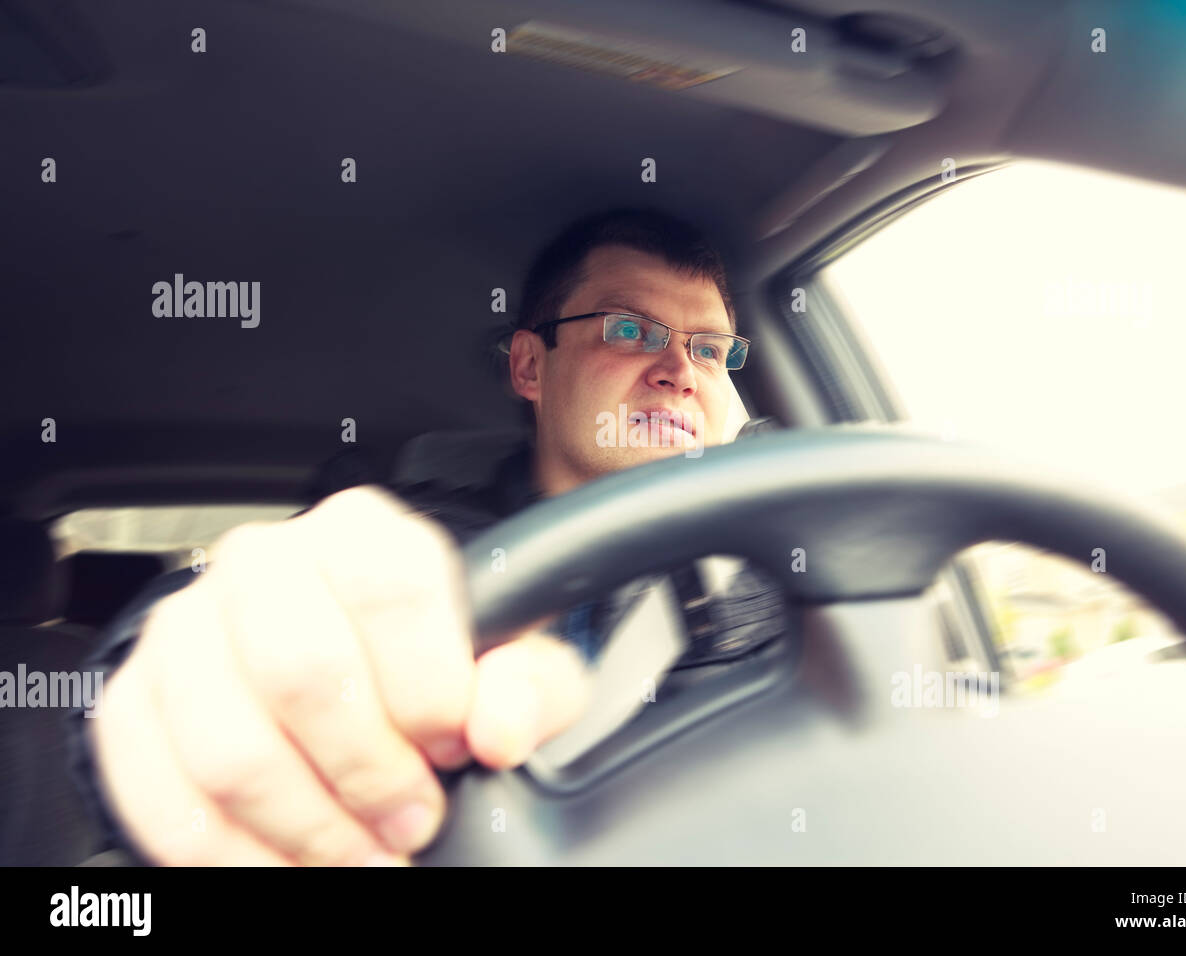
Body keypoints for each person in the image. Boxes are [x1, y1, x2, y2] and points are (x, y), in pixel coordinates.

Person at [69, 207, 785, 866]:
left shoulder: (786, 566)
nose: (681, 372)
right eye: (631, 331)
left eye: (712, 351)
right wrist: (184, 675)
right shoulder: (407, 538)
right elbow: (227, 621)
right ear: (531, 365)